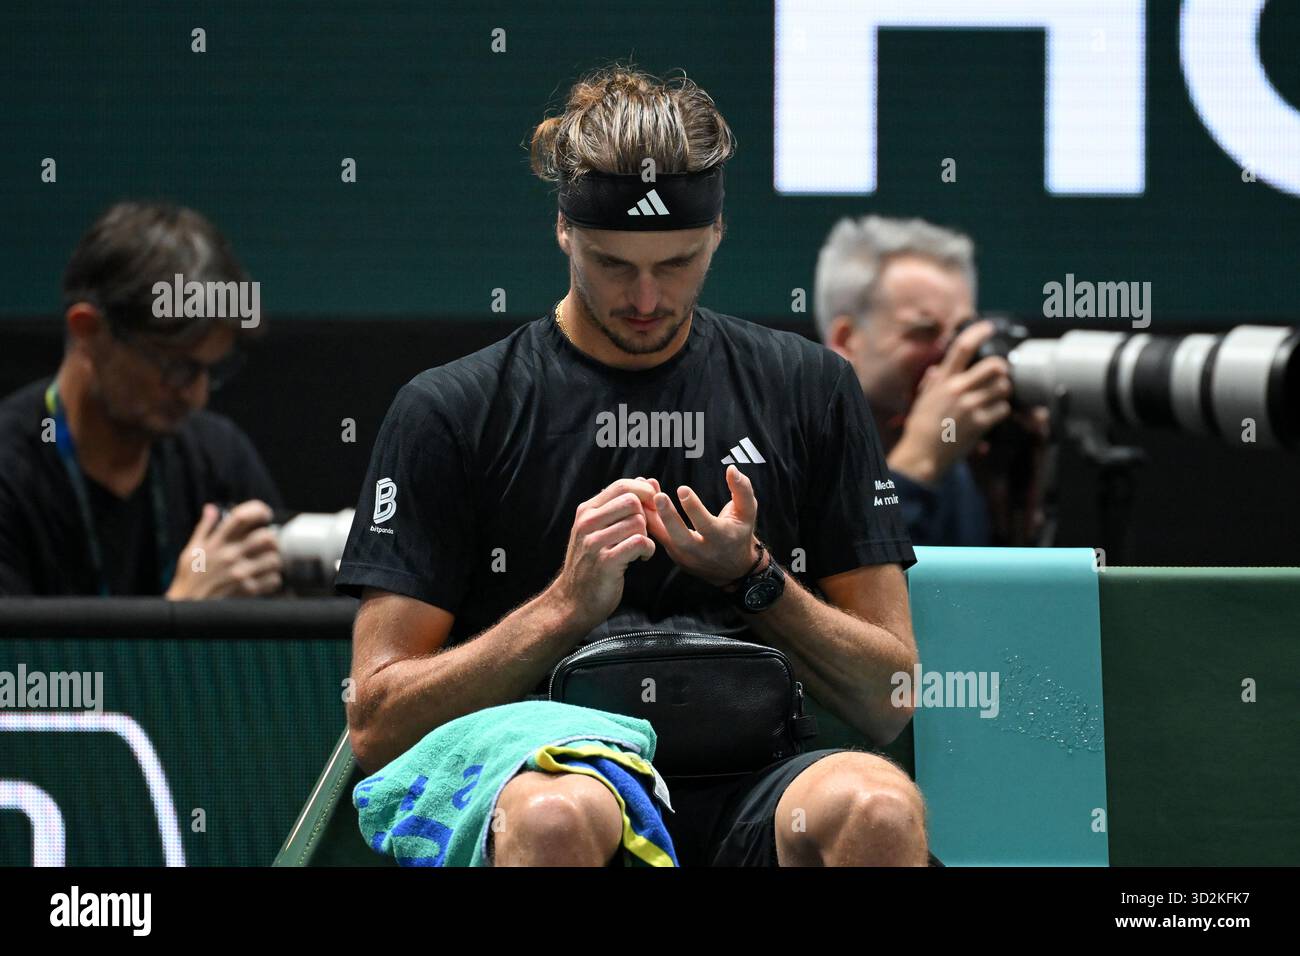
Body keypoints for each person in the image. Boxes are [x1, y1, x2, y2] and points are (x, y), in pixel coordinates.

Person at [335, 66, 932, 867]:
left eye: (677, 262)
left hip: (760, 781)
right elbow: (376, 725)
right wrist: (562, 609)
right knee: (551, 818)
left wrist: (753, 579)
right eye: (614, 265)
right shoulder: (449, 411)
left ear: (717, 235)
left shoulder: (811, 389)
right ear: (563, 232)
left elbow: (891, 697)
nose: (647, 298)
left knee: (880, 811)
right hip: (555, 773)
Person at [0, 201, 285, 598]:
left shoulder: (219, 457)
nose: (198, 396)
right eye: (176, 368)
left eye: (212, 370)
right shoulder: (11, 477)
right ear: (90, 332)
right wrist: (183, 612)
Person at [814, 215, 1047, 546]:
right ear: (847, 340)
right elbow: (855, 587)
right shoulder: (792, 451)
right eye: (924, 331)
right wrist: (918, 462)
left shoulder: (958, 462)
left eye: (962, 331)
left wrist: (1012, 489)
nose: (951, 353)